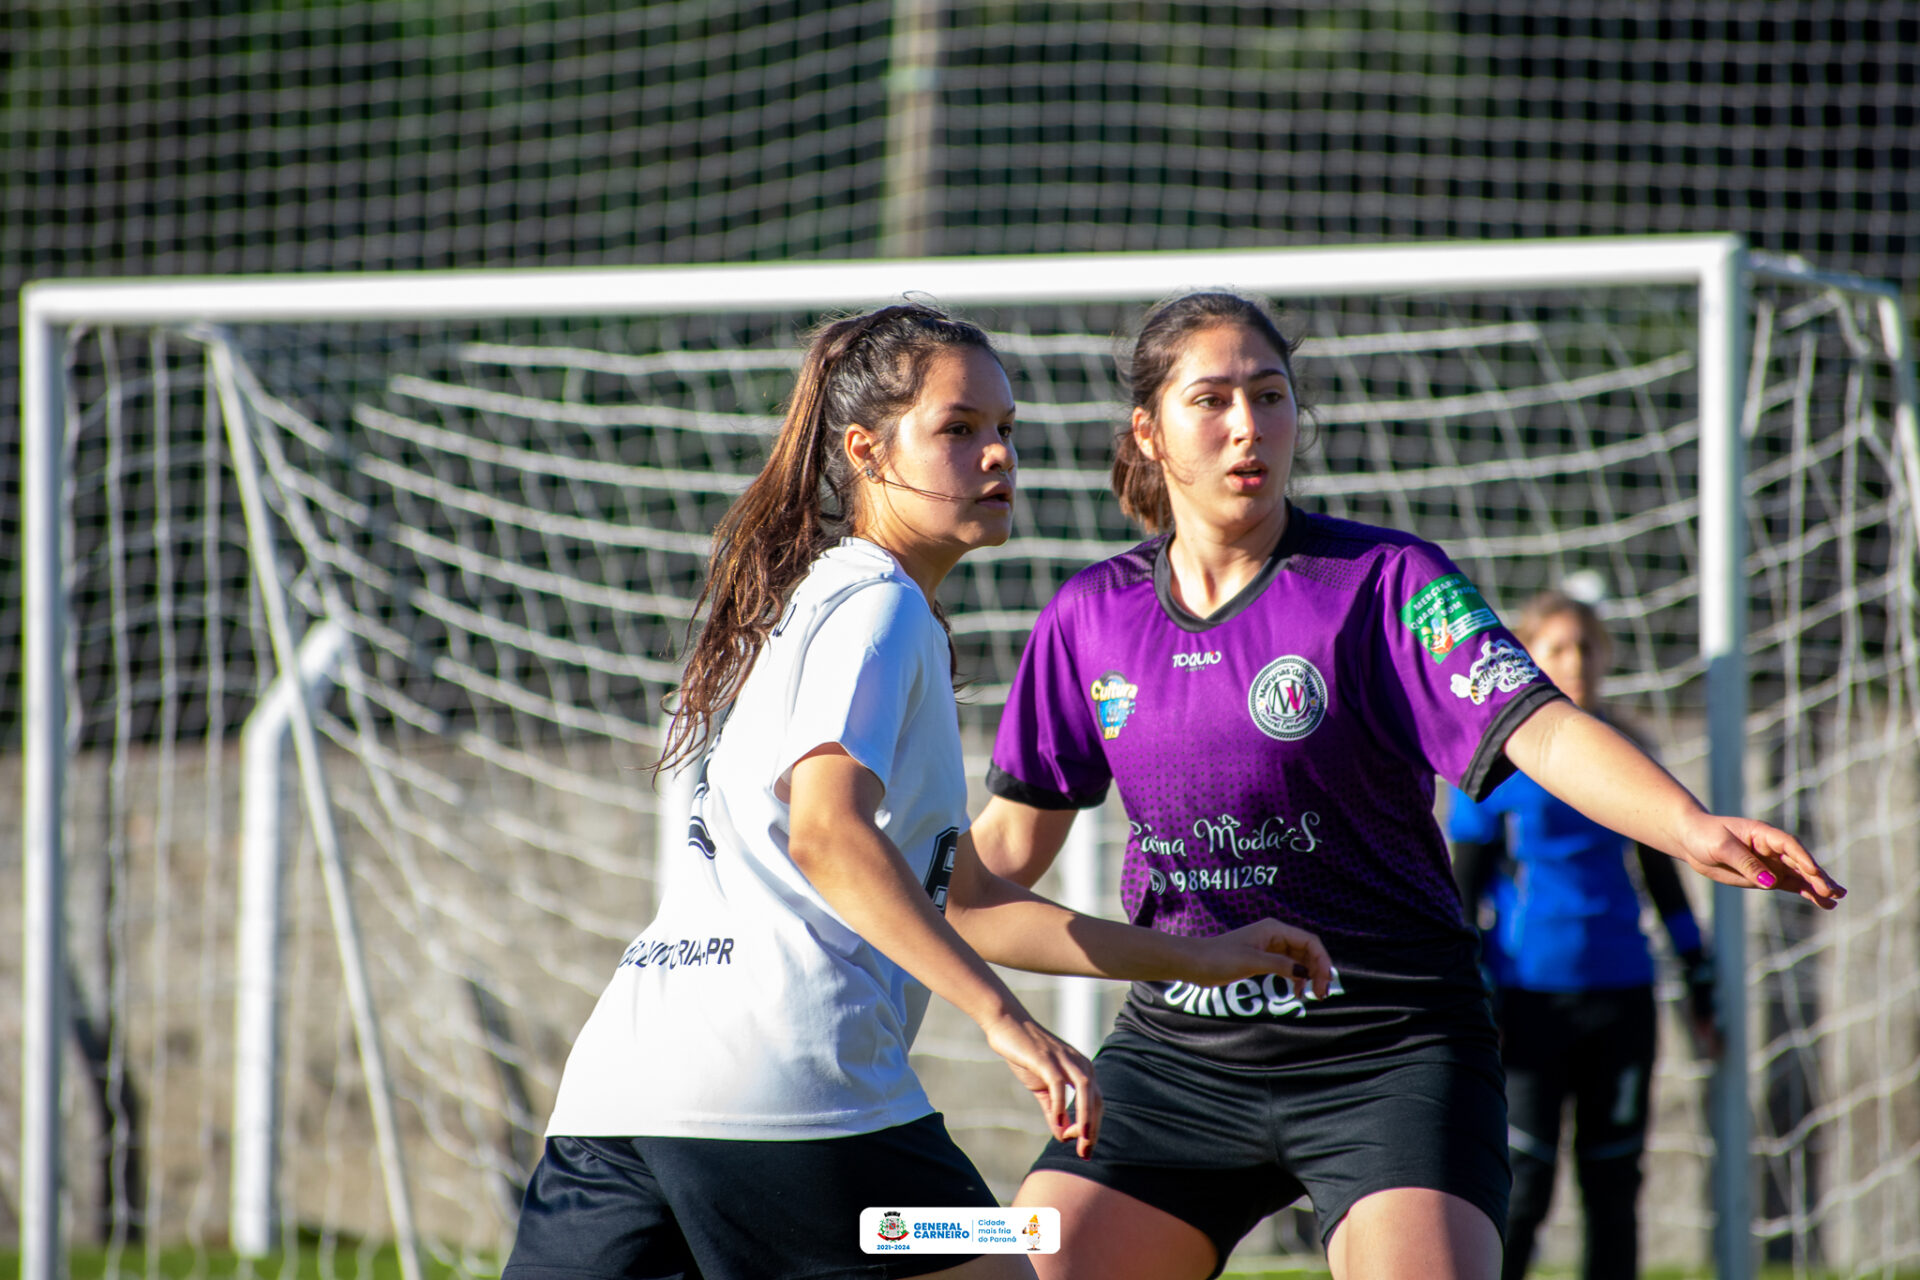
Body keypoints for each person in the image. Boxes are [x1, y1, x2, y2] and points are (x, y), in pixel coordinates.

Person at [970, 290, 1845, 1280]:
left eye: (1270, 394)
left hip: (1390, 1046)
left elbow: (1542, 728)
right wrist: (858, 886)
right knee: (987, 1253)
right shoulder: (1090, 615)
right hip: (1177, 1062)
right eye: (1212, 399)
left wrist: (1686, 824)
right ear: (1151, 431)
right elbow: (991, 865)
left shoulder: (1386, 580)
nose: (1249, 425)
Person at [501, 303, 1333, 1280]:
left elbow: (968, 900)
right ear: (865, 449)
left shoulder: (808, 601)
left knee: (1023, 1240)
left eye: (1004, 430)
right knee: (1022, 1251)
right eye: (958, 429)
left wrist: (1196, 955)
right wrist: (1006, 1019)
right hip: (793, 1094)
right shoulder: (879, 604)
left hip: (622, 1090)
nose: (995, 456)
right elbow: (825, 830)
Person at [1446, 590, 1721, 1280]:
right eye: (1559, 647)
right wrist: (1475, 999)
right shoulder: (1494, 764)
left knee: (1614, 1189)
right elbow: (1462, 896)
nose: (1577, 660)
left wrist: (1699, 980)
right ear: (1526, 656)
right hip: (1528, 1002)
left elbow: (1666, 884)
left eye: (1588, 646)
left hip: (1622, 998)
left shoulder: (1630, 757)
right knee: (1522, 1190)